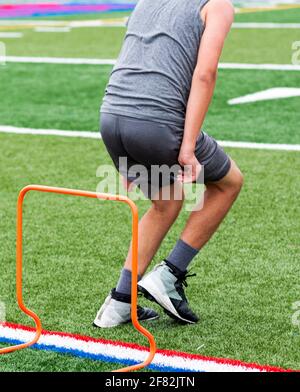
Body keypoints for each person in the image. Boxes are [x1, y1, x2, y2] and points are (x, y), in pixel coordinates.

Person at [94, 0, 243, 328]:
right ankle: (170, 276)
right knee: (228, 183)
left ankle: (119, 302)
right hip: (156, 124)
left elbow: (133, 58)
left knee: (167, 201)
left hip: (112, 117)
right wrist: (187, 147)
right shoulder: (217, 5)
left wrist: (126, 158)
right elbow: (205, 74)